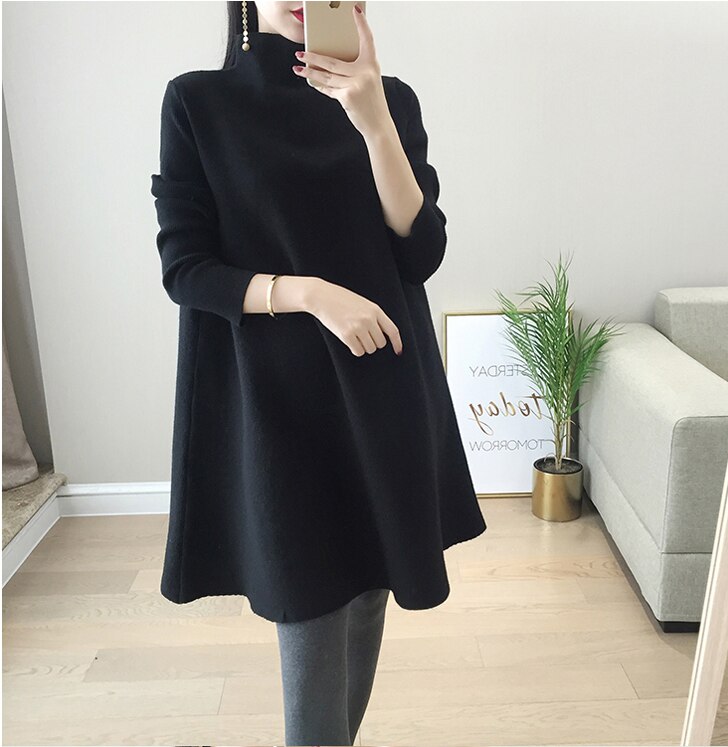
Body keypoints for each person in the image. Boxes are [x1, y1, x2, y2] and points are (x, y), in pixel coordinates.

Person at [150, 1, 487, 744]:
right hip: (277, 405)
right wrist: (309, 294)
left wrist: (374, 123)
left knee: (369, 592)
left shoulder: (390, 100)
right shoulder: (198, 102)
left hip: (383, 386)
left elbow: (420, 252)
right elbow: (186, 269)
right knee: (308, 605)